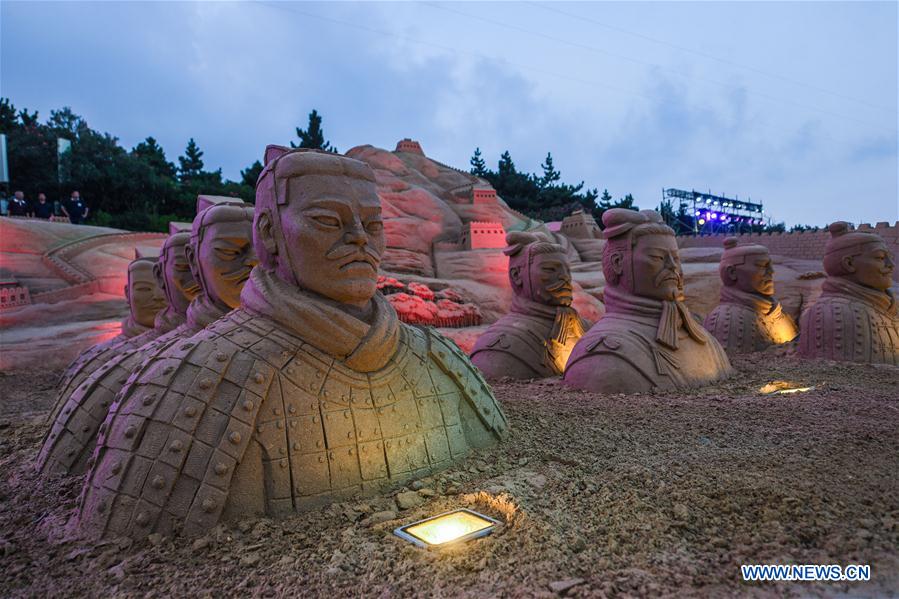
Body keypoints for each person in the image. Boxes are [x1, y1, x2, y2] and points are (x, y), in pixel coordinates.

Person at [75, 148, 508, 540]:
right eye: (327, 221)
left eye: (373, 224)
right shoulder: (191, 379)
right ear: (269, 234)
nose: (360, 237)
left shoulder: (437, 358)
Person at [564, 209, 733, 394]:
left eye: (676, 258)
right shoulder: (603, 353)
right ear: (618, 263)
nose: (673, 267)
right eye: (658, 257)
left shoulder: (702, 337)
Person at [471, 230, 588, 379]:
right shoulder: (498, 347)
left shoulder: (584, 327)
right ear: (516, 275)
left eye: (567, 270)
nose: (565, 277)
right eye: (550, 269)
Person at [798, 222, 898, 364]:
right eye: (880, 258)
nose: (891, 265)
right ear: (849, 264)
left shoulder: (889, 306)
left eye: (889, 257)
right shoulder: (832, 313)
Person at [703, 238, 798, 353]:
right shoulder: (727, 321)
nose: (771, 271)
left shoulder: (776, 312)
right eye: (762, 265)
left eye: (770, 265)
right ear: (732, 272)